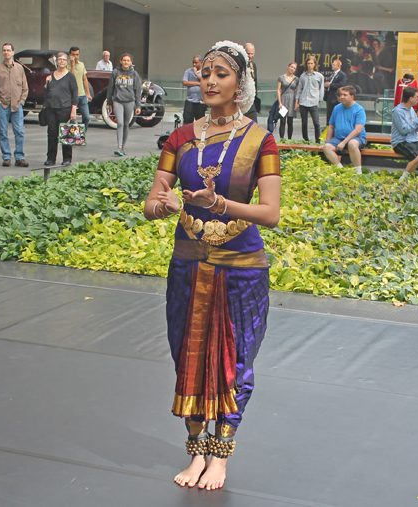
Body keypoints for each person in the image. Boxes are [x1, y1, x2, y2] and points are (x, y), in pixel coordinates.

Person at [143, 40, 280, 491]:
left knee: (235, 360)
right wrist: (160, 205)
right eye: (205, 72)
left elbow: (271, 213)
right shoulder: (181, 138)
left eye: (221, 73)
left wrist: (221, 203)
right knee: (188, 353)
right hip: (187, 263)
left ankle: (221, 454)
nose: (209, 80)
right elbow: (153, 200)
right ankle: (196, 449)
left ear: (240, 83)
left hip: (241, 267)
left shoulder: (261, 140)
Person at [0, 43, 29, 167]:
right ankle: (6, 157)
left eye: (8, 50)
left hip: (17, 105)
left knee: (19, 132)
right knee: (3, 132)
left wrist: (21, 101)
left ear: (13, 52)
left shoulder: (19, 68)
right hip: (3, 105)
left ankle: (19, 157)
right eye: (4, 50)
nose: (6, 52)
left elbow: (25, 87)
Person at [43, 52, 78, 166]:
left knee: (66, 134)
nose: (62, 61)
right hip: (51, 108)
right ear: (56, 61)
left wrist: (73, 111)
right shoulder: (50, 76)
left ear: (67, 62)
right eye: (59, 59)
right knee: (51, 134)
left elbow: (75, 94)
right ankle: (51, 158)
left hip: (65, 109)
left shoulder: (70, 76)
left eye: (64, 59)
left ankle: (67, 158)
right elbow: (47, 92)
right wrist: (46, 84)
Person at [323, 85, 367, 174]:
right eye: (341, 94)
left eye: (345, 95)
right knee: (327, 147)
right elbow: (331, 126)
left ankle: (358, 172)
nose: (342, 97)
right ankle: (341, 170)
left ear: (352, 96)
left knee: (352, 144)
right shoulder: (337, 108)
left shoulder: (359, 110)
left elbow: (357, 130)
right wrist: (327, 142)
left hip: (357, 138)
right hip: (338, 138)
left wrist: (344, 142)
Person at [106, 53, 141, 156]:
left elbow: (137, 90)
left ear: (131, 62)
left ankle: (124, 146)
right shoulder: (115, 72)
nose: (126, 62)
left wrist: (138, 105)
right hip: (118, 101)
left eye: (128, 60)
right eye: (124, 60)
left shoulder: (134, 74)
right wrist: (108, 102)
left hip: (130, 101)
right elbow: (110, 88)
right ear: (120, 61)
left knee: (126, 124)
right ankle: (119, 146)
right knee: (120, 123)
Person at [391, 86, 418, 181]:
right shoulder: (398, 111)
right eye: (417, 96)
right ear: (411, 98)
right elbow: (404, 130)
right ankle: (402, 179)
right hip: (400, 142)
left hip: (412, 140)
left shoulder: (411, 109)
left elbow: (414, 128)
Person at [295, 56, 325, 142]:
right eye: (308, 63)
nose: (310, 65)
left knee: (316, 123)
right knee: (304, 123)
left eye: (311, 63)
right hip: (303, 101)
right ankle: (306, 140)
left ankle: (317, 141)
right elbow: (299, 89)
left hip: (313, 101)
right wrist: (297, 101)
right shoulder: (303, 76)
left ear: (314, 64)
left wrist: (319, 100)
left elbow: (321, 89)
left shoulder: (319, 76)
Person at [68, 46, 92, 130]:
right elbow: (72, 77)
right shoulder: (67, 65)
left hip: (82, 95)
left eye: (77, 54)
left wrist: (88, 93)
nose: (75, 56)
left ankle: (82, 134)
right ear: (70, 55)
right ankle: (71, 136)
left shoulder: (81, 64)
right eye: (73, 54)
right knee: (71, 118)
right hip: (71, 96)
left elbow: (85, 79)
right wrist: (72, 64)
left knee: (86, 117)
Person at [277, 62, 298, 139]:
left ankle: (290, 139)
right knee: (282, 121)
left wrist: (296, 103)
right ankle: (281, 139)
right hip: (283, 99)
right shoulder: (281, 77)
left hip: (292, 100)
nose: (292, 69)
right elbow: (278, 90)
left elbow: (297, 92)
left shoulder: (296, 79)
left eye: (294, 68)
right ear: (288, 66)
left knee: (290, 122)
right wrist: (280, 102)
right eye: (291, 67)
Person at [182, 55, 205, 125]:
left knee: (200, 121)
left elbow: (205, 81)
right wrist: (198, 83)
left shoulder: (205, 71)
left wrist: (196, 74)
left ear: (201, 62)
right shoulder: (188, 71)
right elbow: (185, 82)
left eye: (196, 62)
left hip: (200, 101)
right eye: (193, 62)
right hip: (190, 100)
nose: (194, 64)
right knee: (187, 119)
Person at [324, 59, 346, 124]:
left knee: (334, 113)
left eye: (334, 64)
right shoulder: (332, 74)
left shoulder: (342, 75)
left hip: (335, 97)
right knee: (329, 113)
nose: (332, 66)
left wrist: (330, 85)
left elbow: (342, 85)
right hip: (329, 96)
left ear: (339, 66)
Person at [243, 43, 258, 122]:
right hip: (242, 100)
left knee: (254, 124)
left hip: (251, 100)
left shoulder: (253, 64)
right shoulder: (241, 64)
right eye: (248, 53)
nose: (250, 56)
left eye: (252, 53)